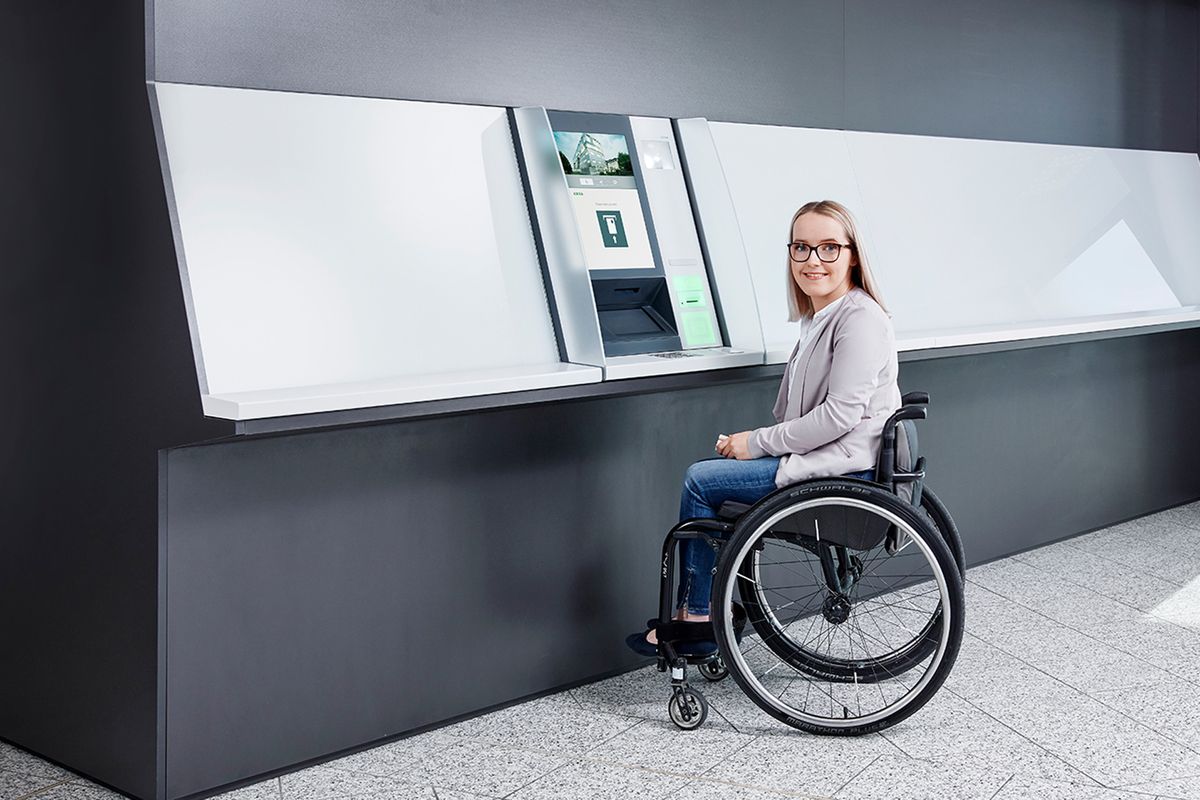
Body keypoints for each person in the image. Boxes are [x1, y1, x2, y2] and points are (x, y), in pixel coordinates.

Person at [627, 199, 901, 656]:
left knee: (701, 480)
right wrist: (752, 442)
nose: (813, 261)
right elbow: (802, 413)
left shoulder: (860, 320)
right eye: (802, 248)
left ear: (853, 254)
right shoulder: (822, 317)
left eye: (829, 248)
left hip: (841, 472)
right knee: (715, 472)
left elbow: (838, 416)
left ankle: (697, 618)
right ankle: (706, 609)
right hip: (831, 458)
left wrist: (755, 443)